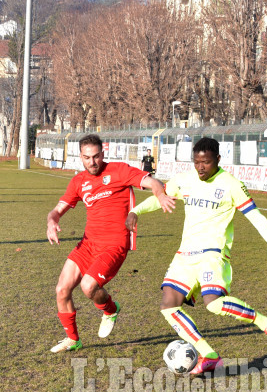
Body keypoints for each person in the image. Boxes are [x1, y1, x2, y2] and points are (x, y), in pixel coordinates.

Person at [126, 137, 267, 374]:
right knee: (168, 306)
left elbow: (257, 218)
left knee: (214, 304)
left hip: (213, 252)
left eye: (206, 163)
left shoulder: (231, 185)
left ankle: (266, 323)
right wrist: (136, 210)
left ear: (218, 160)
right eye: (197, 162)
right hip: (185, 254)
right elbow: (161, 198)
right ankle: (208, 355)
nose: (200, 167)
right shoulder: (185, 179)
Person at [47, 134, 176, 353]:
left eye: (96, 156)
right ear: (80, 157)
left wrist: (160, 194)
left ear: (102, 154)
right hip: (88, 244)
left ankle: (110, 309)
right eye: (87, 157)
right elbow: (58, 209)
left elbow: (152, 181)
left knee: (89, 287)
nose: (92, 162)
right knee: (62, 289)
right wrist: (52, 221)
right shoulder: (78, 181)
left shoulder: (119, 171)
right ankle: (73, 339)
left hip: (114, 245)